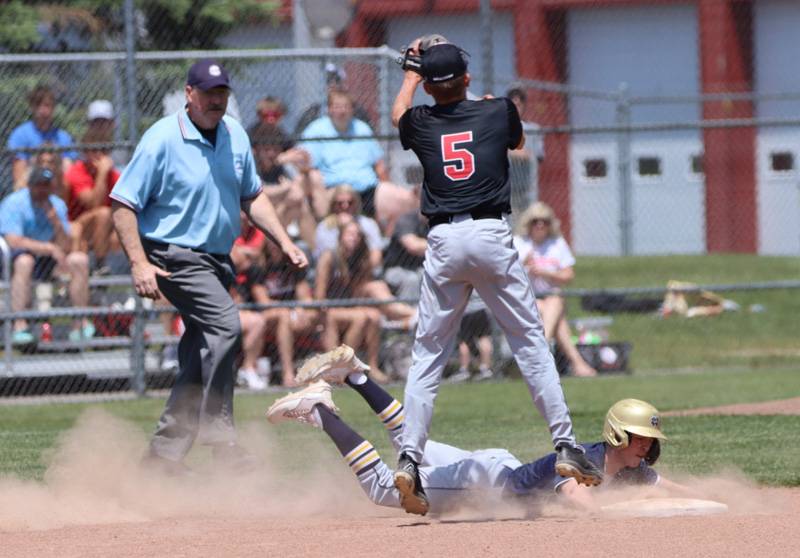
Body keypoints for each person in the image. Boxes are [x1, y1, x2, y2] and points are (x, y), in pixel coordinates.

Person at [390, 39, 603, 511]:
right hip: (489, 232)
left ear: (428, 86)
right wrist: (473, 97)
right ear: (465, 79)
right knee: (529, 341)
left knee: (428, 353)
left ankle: (409, 456)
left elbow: (398, 115)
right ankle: (565, 444)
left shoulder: (421, 121)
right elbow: (518, 141)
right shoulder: (497, 110)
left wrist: (411, 73)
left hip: (443, 239)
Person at [110, 59, 308, 475]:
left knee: (201, 358)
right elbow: (123, 204)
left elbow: (252, 197)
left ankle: (162, 460)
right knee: (226, 326)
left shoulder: (235, 134)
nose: (216, 99)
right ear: (189, 94)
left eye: (222, 92)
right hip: (173, 255)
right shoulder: (162, 138)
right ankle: (221, 438)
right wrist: (139, 264)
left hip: (217, 259)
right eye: (208, 92)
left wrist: (285, 242)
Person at [267, 345, 688, 516]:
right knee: (382, 488)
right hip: (487, 486)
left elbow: (666, 486)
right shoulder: (586, 460)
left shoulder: (628, 468)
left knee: (411, 445)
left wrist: (718, 500)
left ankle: (356, 377)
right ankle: (321, 411)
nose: (647, 448)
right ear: (617, 437)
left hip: (498, 465)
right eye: (640, 438)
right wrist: (618, 515)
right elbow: (577, 496)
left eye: (650, 442)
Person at [298, 88, 416, 231]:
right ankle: (323, 240)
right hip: (333, 193)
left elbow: (379, 166)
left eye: (346, 107)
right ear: (329, 109)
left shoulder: (362, 128)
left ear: (352, 109)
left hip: (367, 190)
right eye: (337, 107)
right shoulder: (316, 130)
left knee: (407, 200)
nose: (342, 111)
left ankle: (389, 245)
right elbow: (304, 163)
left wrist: (387, 186)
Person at [0, 166, 93, 344]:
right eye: (39, 185)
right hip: (16, 258)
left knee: (79, 259)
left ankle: (80, 322)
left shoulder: (56, 204)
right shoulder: (14, 203)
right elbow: (13, 241)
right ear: (30, 185)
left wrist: (55, 221)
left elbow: (65, 245)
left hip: (49, 261)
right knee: (24, 261)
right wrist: (48, 248)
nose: (43, 190)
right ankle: (19, 324)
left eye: (47, 185)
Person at [515, 202, 597, 378]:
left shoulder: (556, 244)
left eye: (544, 221)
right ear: (528, 223)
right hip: (527, 298)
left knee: (554, 299)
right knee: (555, 317)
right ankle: (578, 364)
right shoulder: (519, 243)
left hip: (552, 298)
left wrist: (545, 273)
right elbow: (507, 275)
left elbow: (568, 275)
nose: (540, 225)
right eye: (535, 221)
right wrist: (524, 264)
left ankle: (540, 351)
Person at [314, 219, 392, 383]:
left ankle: (373, 367)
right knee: (361, 317)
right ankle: (341, 368)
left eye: (357, 235)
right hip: (328, 308)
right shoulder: (329, 257)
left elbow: (358, 292)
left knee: (374, 315)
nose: (353, 238)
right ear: (341, 236)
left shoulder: (360, 259)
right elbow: (319, 295)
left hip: (350, 307)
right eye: (350, 234)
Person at [248, 124, 322, 248]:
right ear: (256, 149)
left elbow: (297, 193)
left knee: (300, 206)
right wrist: (283, 189)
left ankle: (315, 253)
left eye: (276, 150)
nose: (271, 154)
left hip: (282, 214)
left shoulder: (283, 166)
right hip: (257, 222)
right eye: (266, 149)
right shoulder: (251, 165)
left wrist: (303, 167)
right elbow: (258, 192)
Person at [63, 128, 120, 272]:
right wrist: (102, 173)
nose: (99, 155)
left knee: (119, 231)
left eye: (104, 150)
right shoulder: (77, 171)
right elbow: (94, 204)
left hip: (105, 226)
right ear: (85, 152)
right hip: (78, 224)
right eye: (94, 150)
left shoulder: (114, 175)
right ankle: (100, 265)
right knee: (103, 213)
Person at [7, 84, 77, 191]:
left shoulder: (63, 137)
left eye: (47, 105)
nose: (42, 110)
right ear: (32, 107)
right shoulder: (20, 134)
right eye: (38, 105)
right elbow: (19, 180)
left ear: (53, 107)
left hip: (56, 190)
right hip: (30, 190)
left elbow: (69, 174)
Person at [313, 185, 384, 268]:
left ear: (356, 203)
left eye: (350, 202)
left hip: (362, 270)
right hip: (333, 273)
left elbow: (376, 255)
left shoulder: (368, 224)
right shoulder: (324, 226)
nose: (345, 206)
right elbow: (324, 258)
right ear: (333, 204)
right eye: (340, 203)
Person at [505, 86, 545, 217]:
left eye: (519, 104)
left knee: (528, 221)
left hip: (528, 187)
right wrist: (513, 153)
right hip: (508, 187)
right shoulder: (501, 127)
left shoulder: (533, 129)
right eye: (513, 104)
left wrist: (528, 156)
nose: (516, 108)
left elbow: (539, 156)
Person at [449, 292, 496, 383]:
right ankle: (485, 369)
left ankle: (464, 370)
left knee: (464, 342)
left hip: (466, 312)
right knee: (484, 338)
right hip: (481, 310)